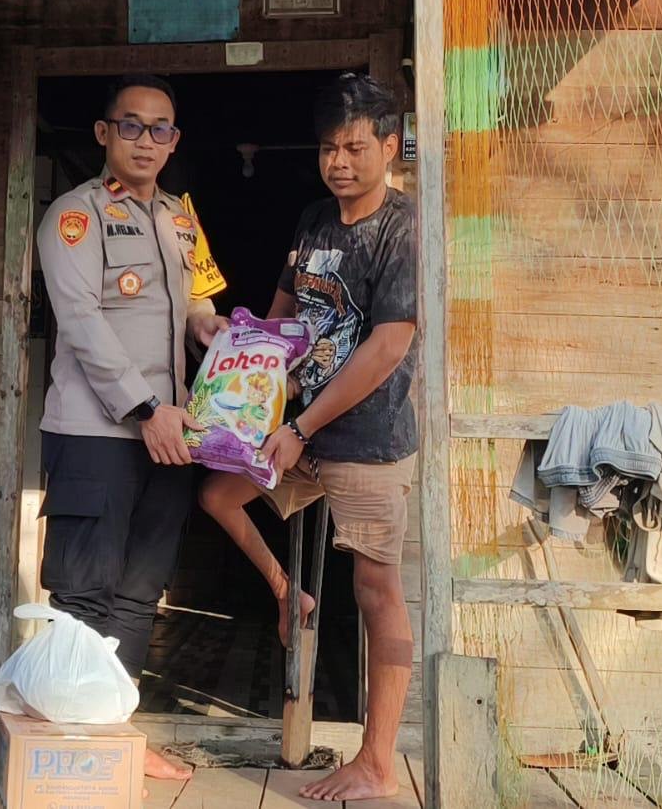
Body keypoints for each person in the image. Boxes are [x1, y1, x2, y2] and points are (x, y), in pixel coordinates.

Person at [197, 73, 418, 802]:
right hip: (297, 426)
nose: (340, 161)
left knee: (376, 588)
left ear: (388, 147)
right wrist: (243, 384)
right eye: (328, 148)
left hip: (364, 435)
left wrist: (297, 425)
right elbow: (282, 314)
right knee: (218, 493)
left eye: (355, 147)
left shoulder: (405, 227)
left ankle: (376, 761)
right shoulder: (312, 220)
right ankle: (289, 592)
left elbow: (387, 346)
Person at [35, 74, 230, 782]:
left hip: (171, 433)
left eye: (160, 129)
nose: (146, 140)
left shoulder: (181, 218)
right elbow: (83, 323)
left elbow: (196, 305)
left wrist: (217, 330)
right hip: (97, 434)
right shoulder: (71, 217)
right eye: (131, 125)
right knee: (84, 593)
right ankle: (67, 741)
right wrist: (145, 410)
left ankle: (113, 728)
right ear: (103, 133)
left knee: (139, 593)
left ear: (174, 140)